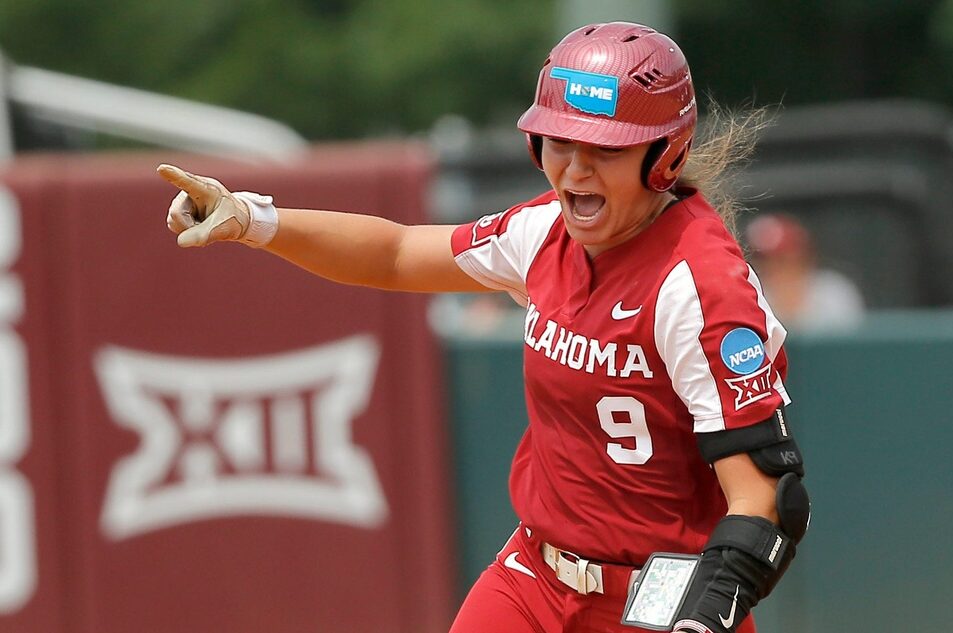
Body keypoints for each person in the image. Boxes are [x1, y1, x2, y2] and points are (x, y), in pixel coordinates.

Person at [157, 22, 808, 633]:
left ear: (663, 154)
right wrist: (253, 219)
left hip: (657, 601)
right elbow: (395, 252)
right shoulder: (544, 232)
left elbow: (767, 500)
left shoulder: (697, 286)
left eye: (602, 149)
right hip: (533, 578)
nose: (575, 170)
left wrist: (703, 615)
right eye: (560, 141)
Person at [745, 213, 864, 331]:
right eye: (763, 261)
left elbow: (853, 346)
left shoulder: (834, 292)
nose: (772, 268)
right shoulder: (753, 298)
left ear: (804, 257)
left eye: (781, 260)